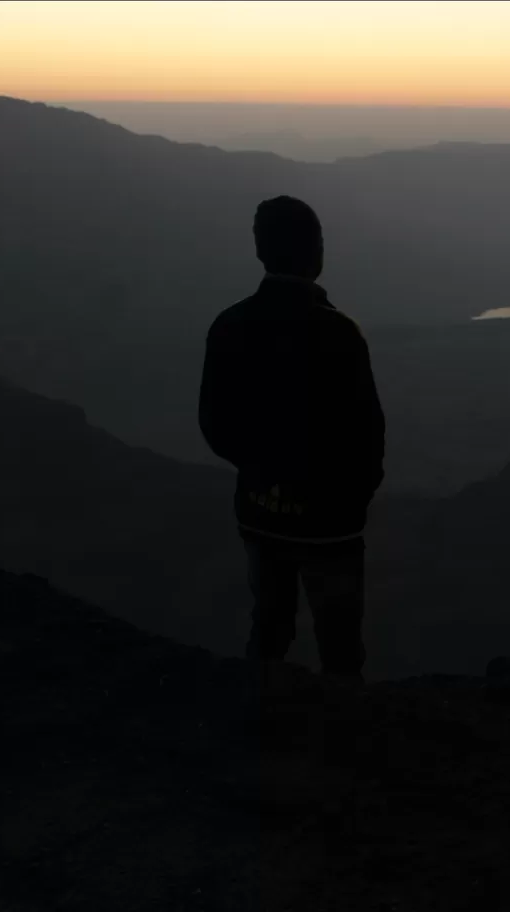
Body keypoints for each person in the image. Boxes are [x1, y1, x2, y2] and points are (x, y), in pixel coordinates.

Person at [199, 196, 385, 681]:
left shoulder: (229, 325)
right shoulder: (338, 332)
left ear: (262, 252)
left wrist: (262, 466)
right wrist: (352, 495)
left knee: (269, 628)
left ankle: (259, 729)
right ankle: (343, 739)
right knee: (340, 644)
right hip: (332, 522)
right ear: (314, 251)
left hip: (260, 511)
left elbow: (215, 425)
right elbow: (368, 431)